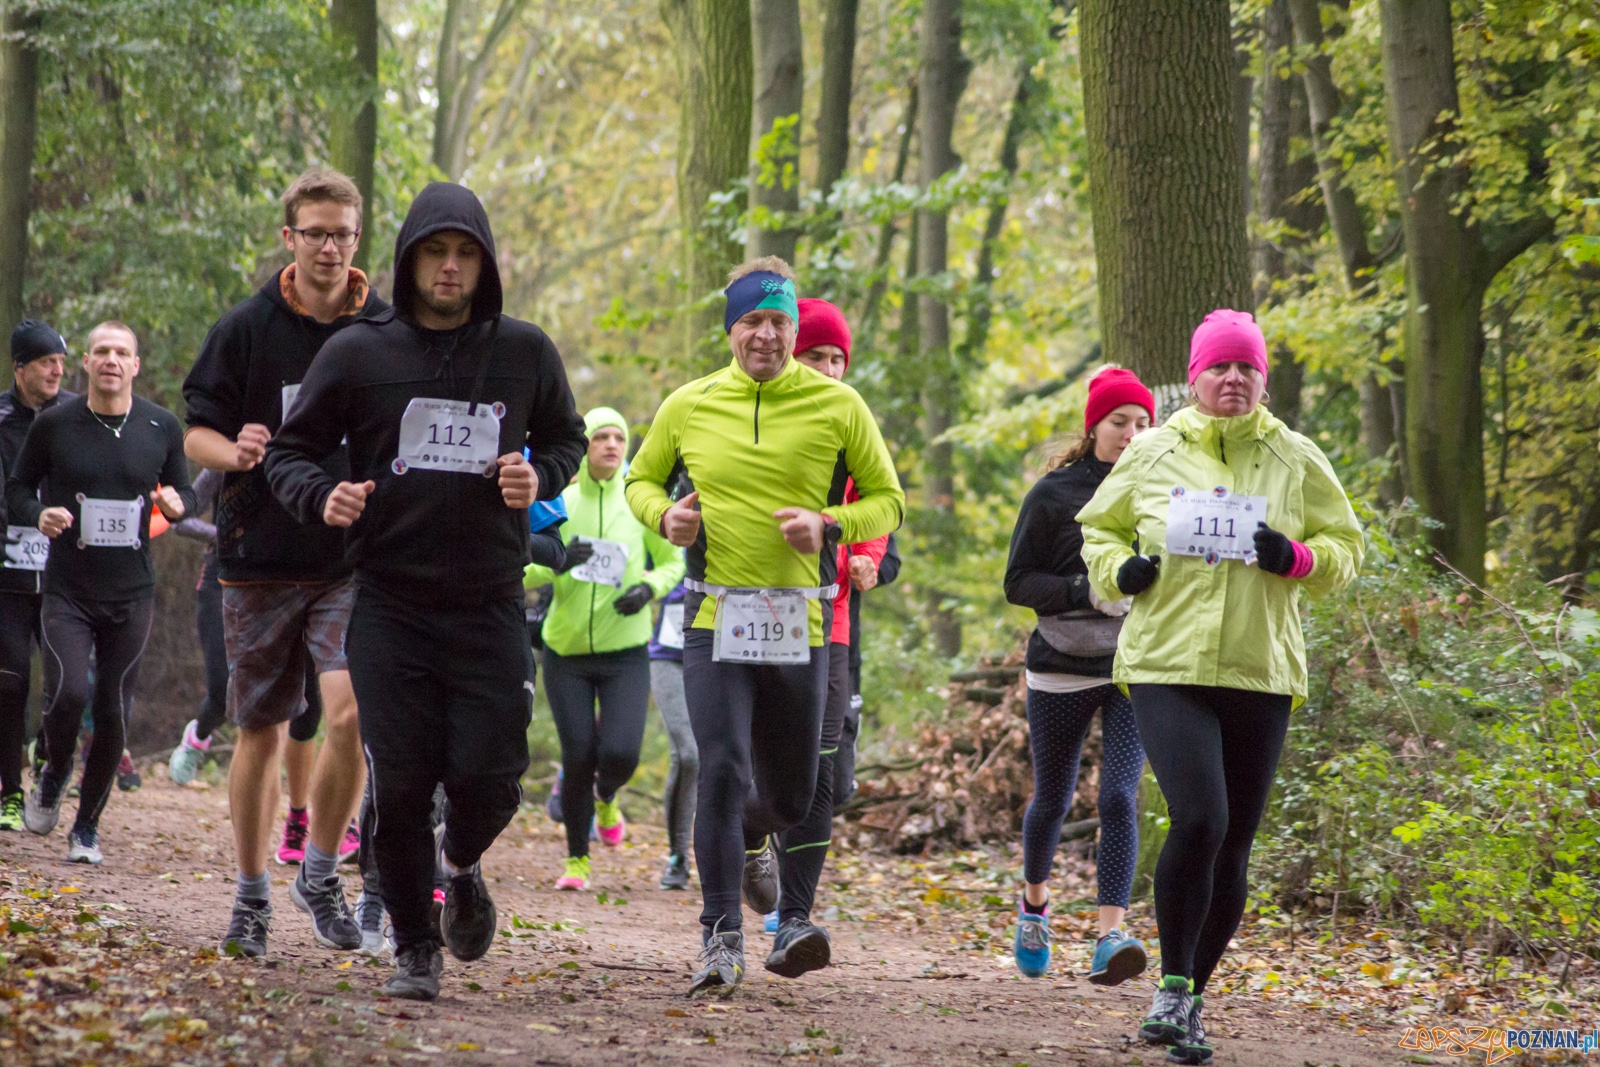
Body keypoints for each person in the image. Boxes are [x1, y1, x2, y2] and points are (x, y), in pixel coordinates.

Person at [264, 181, 587, 1002]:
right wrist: (321, 496)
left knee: (490, 770)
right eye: (436, 253)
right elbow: (290, 453)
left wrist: (536, 473)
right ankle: (415, 945)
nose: (450, 268)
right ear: (409, 260)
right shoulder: (359, 352)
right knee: (401, 779)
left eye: (465, 253)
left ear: (485, 263)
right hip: (390, 602)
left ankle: (463, 861)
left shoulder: (523, 351)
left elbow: (566, 438)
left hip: (487, 602)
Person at [1078, 311, 1363, 1066]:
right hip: (1167, 663)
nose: (1233, 379)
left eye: (1247, 369)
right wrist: (1120, 571)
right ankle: (1171, 984)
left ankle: (1190, 1000)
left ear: (1263, 379)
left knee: (1234, 838)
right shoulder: (1151, 449)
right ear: (1195, 378)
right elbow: (1097, 530)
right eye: (1219, 368)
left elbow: (1346, 547)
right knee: (1200, 815)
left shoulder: (1294, 456)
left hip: (1259, 669)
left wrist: (1296, 556)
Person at [624, 257, 903, 996]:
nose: (767, 335)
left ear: (793, 327)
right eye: (752, 320)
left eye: (780, 321)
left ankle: (753, 839)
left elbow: (889, 500)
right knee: (719, 767)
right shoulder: (688, 405)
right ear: (731, 327)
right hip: (714, 615)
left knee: (789, 792)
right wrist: (666, 516)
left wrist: (831, 523)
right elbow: (640, 481)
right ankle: (720, 934)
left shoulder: (839, 405)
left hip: (800, 624)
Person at [182, 168, 387, 958]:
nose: (330, 246)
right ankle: (251, 896)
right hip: (259, 555)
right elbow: (197, 432)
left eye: (342, 232)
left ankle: (323, 872)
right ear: (289, 238)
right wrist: (233, 451)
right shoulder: (246, 329)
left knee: (351, 715)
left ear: (358, 237)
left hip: (349, 558)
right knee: (261, 730)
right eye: (315, 232)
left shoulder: (384, 329)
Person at [10, 321, 195, 863]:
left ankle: (86, 826)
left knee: (113, 708)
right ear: (86, 364)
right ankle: (52, 769)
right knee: (68, 693)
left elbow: (182, 489)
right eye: (102, 352)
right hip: (67, 587)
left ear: (135, 365)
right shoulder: (54, 424)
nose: (112, 360)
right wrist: (39, 513)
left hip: (131, 591)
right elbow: (18, 488)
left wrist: (178, 504)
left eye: (122, 353)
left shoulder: (162, 426)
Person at [1003, 366, 1154, 985]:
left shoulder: (1163, 491)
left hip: (1132, 666)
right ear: (1095, 425)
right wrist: (1086, 590)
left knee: (1120, 796)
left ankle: (1109, 935)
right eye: (1120, 421)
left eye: (1143, 423)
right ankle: (1035, 905)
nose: (1131, 433)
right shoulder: (1055, 494)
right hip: (1061, 665)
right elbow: (1017, 583)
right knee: (1054, 799)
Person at [758, 298, 891, 971]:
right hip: (751, 615)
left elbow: (882, 515)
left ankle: (794, 915)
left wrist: (870, 557)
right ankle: (757, 857)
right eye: (817, 356)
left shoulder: (854, 430)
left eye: (838, 358)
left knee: (826, 780)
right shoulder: (755, 419)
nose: (831, 369)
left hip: (833, 624)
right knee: (773, 773)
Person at [524, 406, 684, 892]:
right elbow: (521, 568)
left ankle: (607, 796)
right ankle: (577, 861)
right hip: (565, 652)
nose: (612, 445)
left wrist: (649, 589)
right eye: (601, 437)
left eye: (619, 437)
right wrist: (556, 561)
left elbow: (674, 562)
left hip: (625, 651)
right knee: (578, 754)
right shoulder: (560, 500)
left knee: (619, 754)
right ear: (585, 446)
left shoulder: (639, 503)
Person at [0, 321, 72, 831]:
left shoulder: (75, 414)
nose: (56, 370)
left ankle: (49, 755)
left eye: (61, 362)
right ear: (19, 368)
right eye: (46, 361)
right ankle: (8, 790)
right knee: (10, 683)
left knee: (69, 684)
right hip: (7, 573)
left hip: (67, 576)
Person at [647, 577, 693, 889]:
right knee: (689, 755)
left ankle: (750, 857)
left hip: (725, 655)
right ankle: (678, 856)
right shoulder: (670, 529)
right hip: (670, 656)